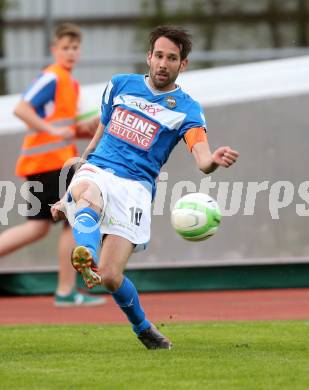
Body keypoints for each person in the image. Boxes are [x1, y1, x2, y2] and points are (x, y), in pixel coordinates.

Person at [52, 25, 239, 347]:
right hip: (99, 169)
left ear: (183, 65)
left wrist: (214, 160)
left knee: (110, 277)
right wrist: (76, 178)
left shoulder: (186, 109)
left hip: (135, 187)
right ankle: (86, 251)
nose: (164, 63)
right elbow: (102, 132)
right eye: (160, 56)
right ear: (149, 56)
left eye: (172, 58)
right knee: (87, 190)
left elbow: (201, 158)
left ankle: (142, 327)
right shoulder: (120, 85)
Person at [0, 23, 105, 307]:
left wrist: (87, 128)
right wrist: (52, 130)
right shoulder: (53, 77)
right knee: (75, 219)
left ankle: (65, 290)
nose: (70, 53)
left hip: (46, 164)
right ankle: (65, 291)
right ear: (54, 50)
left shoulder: (69, 84)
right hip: (52, 164)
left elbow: (67, 127)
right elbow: (21, 108)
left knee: (37, 228)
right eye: (65, 48)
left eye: (75, 48)